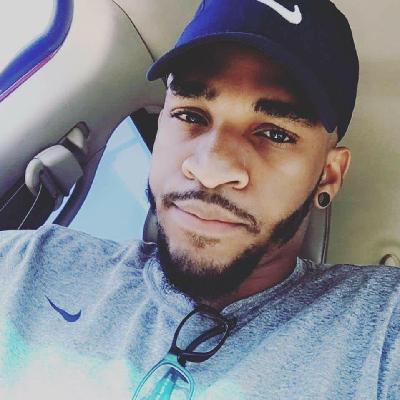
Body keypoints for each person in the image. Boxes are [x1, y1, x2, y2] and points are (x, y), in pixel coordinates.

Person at [0, 0, 399, 399]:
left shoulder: (381, 330)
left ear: (328, 175)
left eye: (276, 134)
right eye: (190, 115)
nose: (209, 169)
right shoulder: (27, 266)